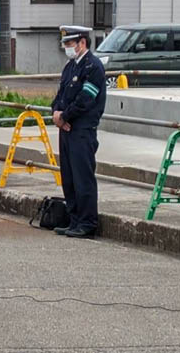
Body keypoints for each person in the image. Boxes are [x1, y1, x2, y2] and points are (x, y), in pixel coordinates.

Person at [52, 25, 106, 239]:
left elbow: (86, 98)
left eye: (69, 43)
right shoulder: (71, 66)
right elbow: (60, 95)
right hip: (66, 129)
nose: (66, 47)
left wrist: (65, 116)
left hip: (82, 129)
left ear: (82, 42)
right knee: (69, 177)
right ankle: (74, 219)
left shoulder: (93, 66)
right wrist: (56, 113)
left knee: (83, 177)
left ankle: (87, 222)